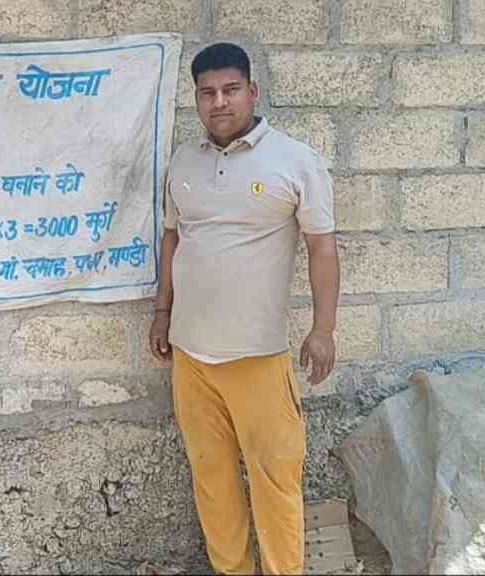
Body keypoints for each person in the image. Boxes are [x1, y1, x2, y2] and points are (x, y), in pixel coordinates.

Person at [149, 42, 341, 575]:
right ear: (196, 99)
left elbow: (322, 247)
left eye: (231, 90)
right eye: (207, 93)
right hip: (191, 356)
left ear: (252, 92)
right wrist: (162, 314)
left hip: (257, 356)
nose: (219, 102)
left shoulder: (295, 161)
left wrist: (324, 329)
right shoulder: (184, 161)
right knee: (211, 480)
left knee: (275, 481)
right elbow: (172, 238)